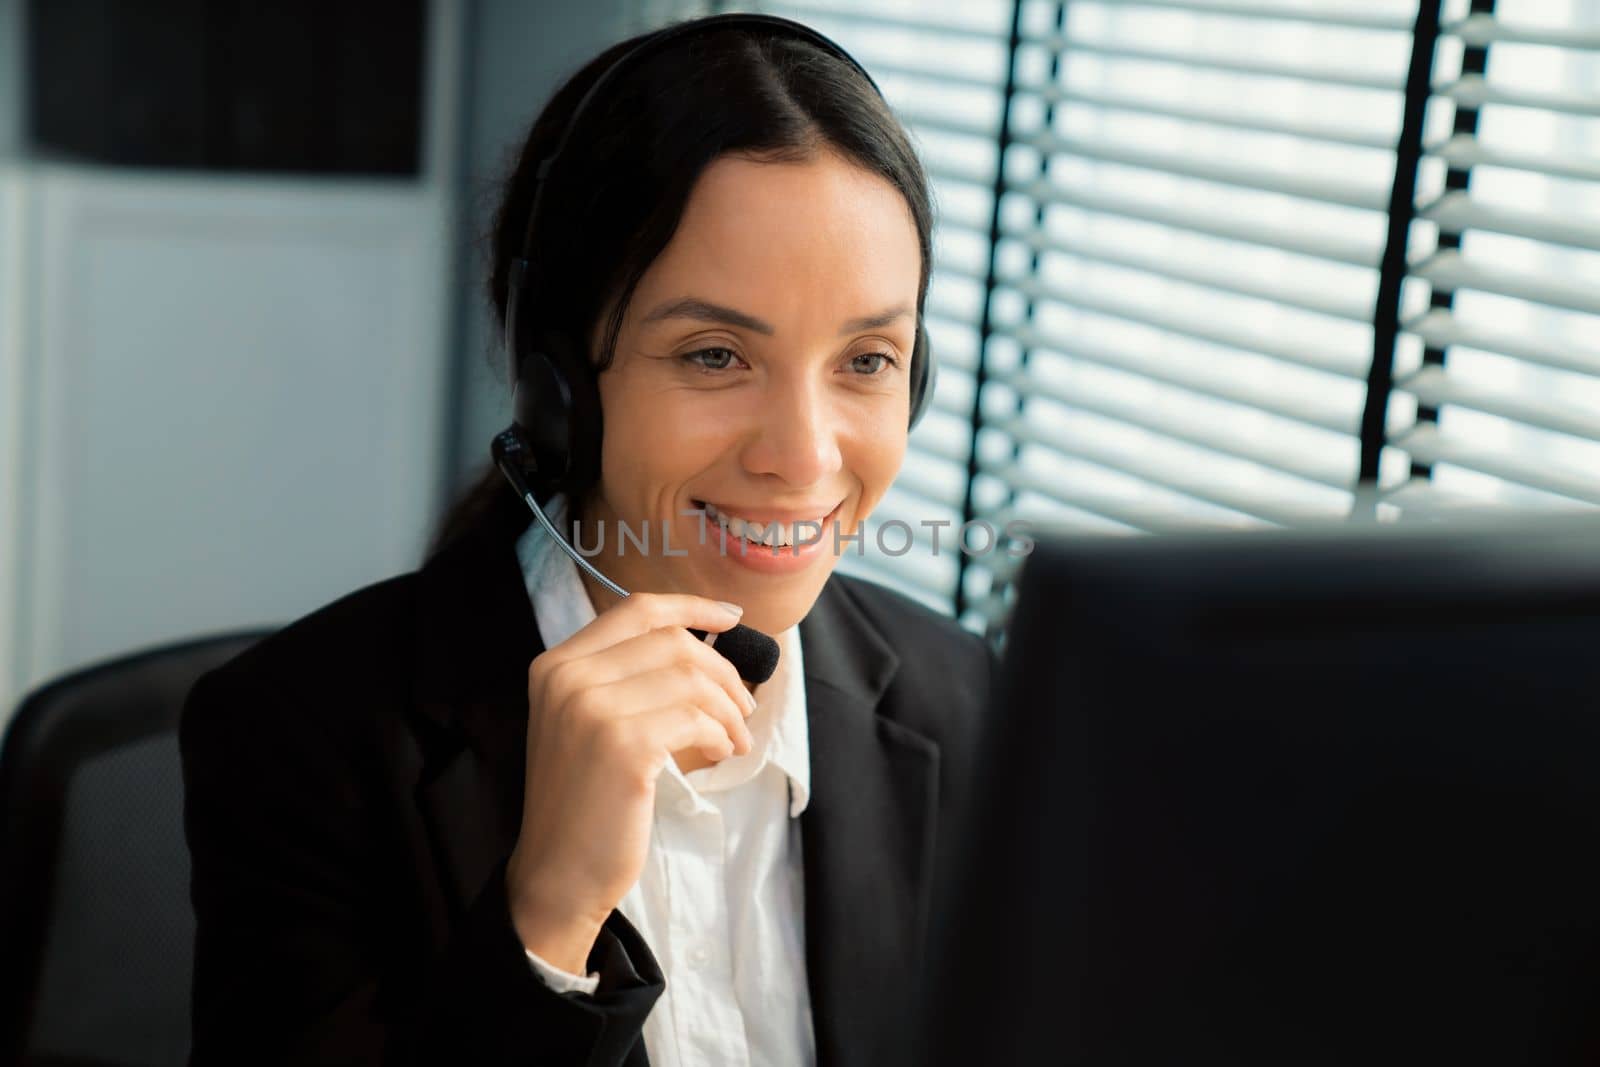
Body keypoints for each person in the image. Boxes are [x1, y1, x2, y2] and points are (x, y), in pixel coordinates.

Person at [179, 14, 995, 1067]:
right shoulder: (301, 738)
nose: (803, 455)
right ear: (559, 392)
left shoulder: (966, 706)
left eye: (867, 360)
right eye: (713, 354)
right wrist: (547, 917)